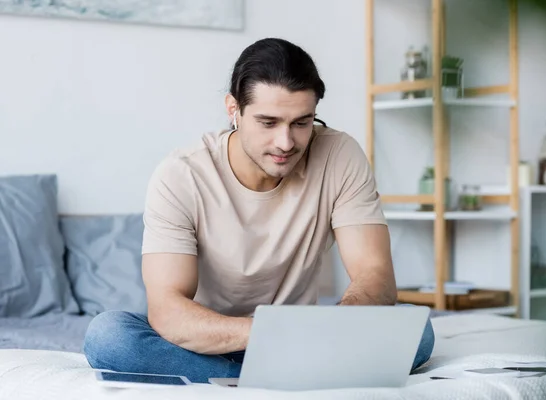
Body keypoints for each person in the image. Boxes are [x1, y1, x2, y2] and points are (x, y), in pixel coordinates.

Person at [83, 37, 435, 384]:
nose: (286, 143)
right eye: (268, 123)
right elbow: (168, 310)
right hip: (207, 344)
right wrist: (270, 334)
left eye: (301, 123)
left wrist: (334, 331)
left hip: (303, 342)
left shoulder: (340, 155)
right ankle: (280, 380)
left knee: (417, 330)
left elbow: (375, 275)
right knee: (108, 336)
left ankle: (249, 381)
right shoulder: (181, 175)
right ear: (233, 109)